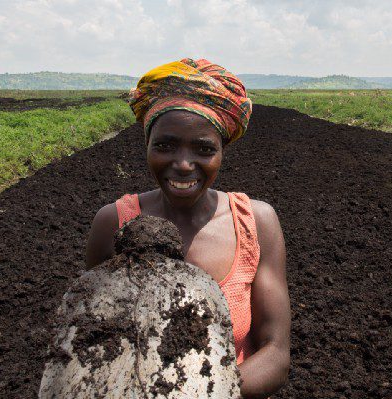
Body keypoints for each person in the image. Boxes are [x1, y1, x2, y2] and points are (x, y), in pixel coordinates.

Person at [85, 58, 290, 398]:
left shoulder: (256, 223)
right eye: (165, 145)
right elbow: (96, 338)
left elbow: (276, 353)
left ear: (222, 151)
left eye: (203, 149)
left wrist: (200, 393)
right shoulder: (114, 224)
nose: (182, 164)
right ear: (147, 145)